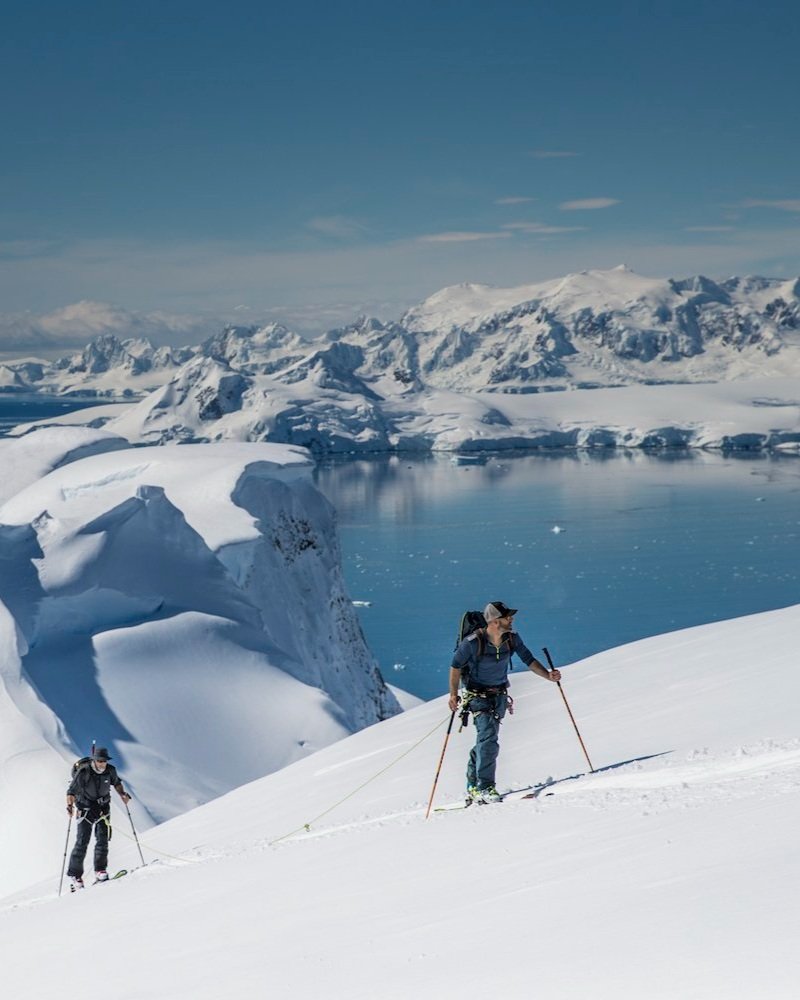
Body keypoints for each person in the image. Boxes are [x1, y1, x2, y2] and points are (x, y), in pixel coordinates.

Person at [448, 601, 560, 803]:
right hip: (477, 697)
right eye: (508, 617)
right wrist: (453, 695)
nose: (512, 620)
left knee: (485, 740)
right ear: (495, 621)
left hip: (499, 696)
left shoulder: (512, 639)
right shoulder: (473, 642)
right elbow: (455, 667)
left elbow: (529, 660)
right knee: (489, 739)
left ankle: (473, 785)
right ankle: (485, 788)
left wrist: (548, 676)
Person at [65, 747, 131, 889]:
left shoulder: (110, 770)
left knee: (103, 839)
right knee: (82, 842)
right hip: (85, 809)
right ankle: (75, 876)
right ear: (94, 760)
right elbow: (71, 791)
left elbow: (117, 783)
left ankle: (100, 870)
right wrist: (70, 806)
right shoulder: (84, 772)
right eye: (100, 761)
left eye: (104, 761)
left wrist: (122, 794)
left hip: (103, 808)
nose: (102, 763)